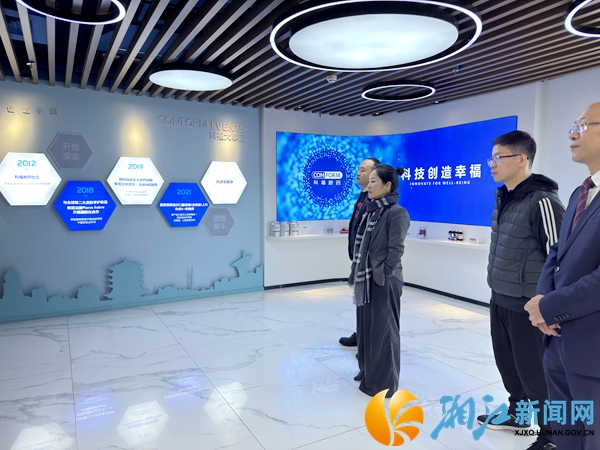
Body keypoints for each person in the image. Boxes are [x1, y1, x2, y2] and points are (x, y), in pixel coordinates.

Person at [480, 130, 564, 450]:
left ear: (521, 159)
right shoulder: (504, 196)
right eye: (491, 158)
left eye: (497, 158)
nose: (491, 164)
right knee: (510, 367)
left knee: (536, 374)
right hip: (500, 297)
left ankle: (552, 436)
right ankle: (518, 414)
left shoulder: (542, 201)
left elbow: (560, 256)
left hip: (528, 305)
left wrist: (551, 306)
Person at [525, 102, 600, 450]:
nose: (572, 134)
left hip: (592, 346)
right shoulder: (580, 192)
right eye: (573, 125)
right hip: (558, 341)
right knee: (569, 434)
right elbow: (557, 253)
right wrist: (543, 303)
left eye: (583, 125)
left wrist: (550, 307)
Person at [349, 164, 410, 397]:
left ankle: (384, 384)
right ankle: (368, 372)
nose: (369, 185)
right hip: (367, 280)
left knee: (384, 332)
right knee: (367, 329)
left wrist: (383, 274)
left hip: (384, 280)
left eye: (374, 181)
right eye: (369, 181)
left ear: (388, 186)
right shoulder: (371, 210)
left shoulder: (397, 213)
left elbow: (396, 250)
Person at [339, 157, 381, 347]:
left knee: (367, 300)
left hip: (368, 261)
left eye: (363, 170)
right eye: (358, 169)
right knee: (360, 299)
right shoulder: (363, 194)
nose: (358, 173)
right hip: (359, 257)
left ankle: (365, 338)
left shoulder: (375, 199)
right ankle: (361, 333)